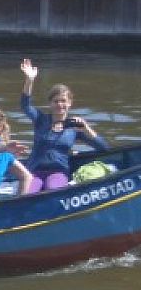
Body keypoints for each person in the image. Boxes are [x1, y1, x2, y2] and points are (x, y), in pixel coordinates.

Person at [20, 58, 110, 192]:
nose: (60, 105)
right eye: (56, 101)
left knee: (53, 191)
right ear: (50, 103)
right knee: (28, 194)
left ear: (69, 103)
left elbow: (103, 148)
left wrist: (86, 129)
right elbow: (25, 105)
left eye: (63, 101)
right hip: (35, 171)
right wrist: (30, 79)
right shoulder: (41, 119)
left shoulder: (74, 128)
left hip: (58, 172)